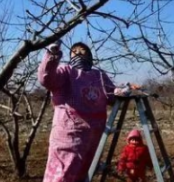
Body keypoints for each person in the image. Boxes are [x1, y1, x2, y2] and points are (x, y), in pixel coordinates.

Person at [39, 41, 116, 182]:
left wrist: (126, 90)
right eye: (74, 51)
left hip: (93, 135)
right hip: (69, 134)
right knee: (63, 173)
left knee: (84, 172)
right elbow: (46, 79)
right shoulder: (66, 71)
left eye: (82, 50)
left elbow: (112, 95)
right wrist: (53, 54)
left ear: (90, 56)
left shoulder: (99, 75)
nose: (78, 52)